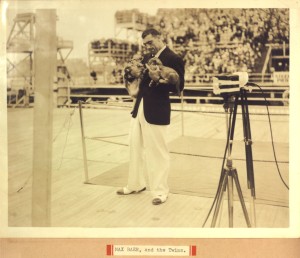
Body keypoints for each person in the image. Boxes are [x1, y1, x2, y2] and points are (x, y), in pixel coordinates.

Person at [116, 28, 185, 205]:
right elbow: (143, 84)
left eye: (150, 42)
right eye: (145, 44)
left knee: (158, 152)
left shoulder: (173, 58)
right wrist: (132, 82)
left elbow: (179, 87)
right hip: (139, 107)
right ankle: (135, 184)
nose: (148, 46)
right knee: (134, 146)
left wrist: (158, 79)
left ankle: (161, 191)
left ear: (159, 37)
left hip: (157, 110)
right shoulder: (146, 59)